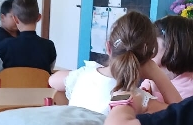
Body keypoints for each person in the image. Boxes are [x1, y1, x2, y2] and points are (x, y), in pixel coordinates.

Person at [49, 11, 181, 115]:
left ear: (108, 47)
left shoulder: (82, 76)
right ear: (150, 56)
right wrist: (157, 75)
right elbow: (182, 115)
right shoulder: (138, 100)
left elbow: (52, 80)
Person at [0, 0, 56, 75]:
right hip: (39, 83)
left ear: (15, 19)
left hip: (10, 83)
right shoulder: (49, 47)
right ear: (39, 18)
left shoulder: (4, 46)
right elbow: (48, 71)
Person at [141, 16, 193, 101]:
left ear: (171, 45)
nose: (147, 48)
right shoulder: (162, 71)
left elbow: (168, 109)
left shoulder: (190, 90)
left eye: (152, 42)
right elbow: (148, 82)